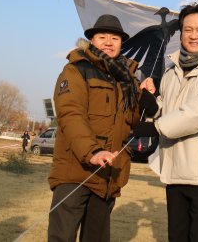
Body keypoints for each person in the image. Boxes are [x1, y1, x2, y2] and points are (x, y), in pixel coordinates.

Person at [133, 3, 198, 242]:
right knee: (177, 237)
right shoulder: (172, 72)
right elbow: (167, 110)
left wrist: (156, 127)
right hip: (174, 169)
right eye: (188, 29)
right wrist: (151, 102)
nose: (193, 35)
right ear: (180, 33)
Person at [47, 14, 156, 242]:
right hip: (74, 171)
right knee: (62, 237)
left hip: (108, 173)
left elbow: (133, 121)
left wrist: (145, 95)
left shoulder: (128, 78)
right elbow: (70, 114)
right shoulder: (76, 70)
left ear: (121, 43)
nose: (109, 42)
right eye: (102, 37)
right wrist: (93, 152)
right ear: (92, 40)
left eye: (114, 38)